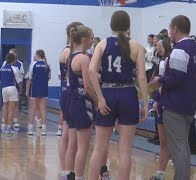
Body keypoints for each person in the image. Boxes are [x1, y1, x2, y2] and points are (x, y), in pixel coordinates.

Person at [88, 10, 148, 180]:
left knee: (99, 148)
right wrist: (145, 103)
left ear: (111, 26)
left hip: (107, 93)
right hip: (128, 94)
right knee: (125, 151)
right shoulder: (137, 46)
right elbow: (142, 77)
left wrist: (99, 98)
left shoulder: (102, 44)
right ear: (129, 26)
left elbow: (91, 70)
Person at [150, 15, 196, 180]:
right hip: (189, 105)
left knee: (178, 149)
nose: (169, 33)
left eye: (170, 29)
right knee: (183, 147)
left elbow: (175, 78)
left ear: (175, 29)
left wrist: (159, 80)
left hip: (175, 105)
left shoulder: (180, 49)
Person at [66, 26, 97, 180]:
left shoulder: (71, 56)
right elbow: (87, 85)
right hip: (81, 104)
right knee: (83, 146)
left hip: (71, 103)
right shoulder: (84, 58)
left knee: (73, 144)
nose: (93, 41)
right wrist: (99, 101)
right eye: (91, 38)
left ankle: (69, 174)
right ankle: (79, 177)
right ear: (84, 39)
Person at [59, 21, 84, 180]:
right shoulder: (70, 52)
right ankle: (66, 170)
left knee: (67, 134)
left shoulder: (69, 51)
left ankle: (66, 170)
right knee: (69, 136)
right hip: (70, 94)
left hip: (67, 93)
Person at [150, 38, 172, 180]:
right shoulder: (161, 62)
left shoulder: (166, 62)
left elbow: (160, 83)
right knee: (164, 141)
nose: (156, 47)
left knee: (168, 141)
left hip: (168, 104)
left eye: (158, 45)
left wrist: (157, 99)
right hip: (163, 103)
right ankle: (160, 174)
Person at [26, 50, 51, 136]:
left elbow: (29, 79)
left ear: (38, 55)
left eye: (35, 55)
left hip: (35, 89)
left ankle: (30, 129)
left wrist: (27, 90)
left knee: (32, 109)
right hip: (44, 89)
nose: (34, 56)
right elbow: (48, 78)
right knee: (43, 109)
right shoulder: (47, 65)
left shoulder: (33, 65)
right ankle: (44, 129)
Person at [0, 53, 22, 135]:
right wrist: (21, 89)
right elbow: (19, 81)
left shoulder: (1, 69)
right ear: (14, 60)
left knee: (5, 107)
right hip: (12, 88)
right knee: (11, 109)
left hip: (4, 89)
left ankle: (4, 126)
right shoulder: (14, 69)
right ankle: (9, 128)